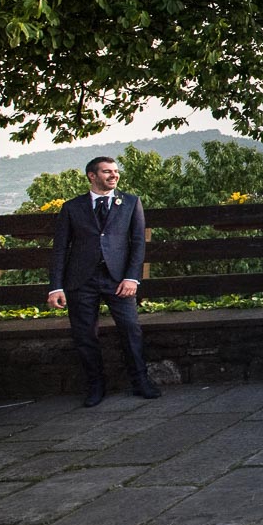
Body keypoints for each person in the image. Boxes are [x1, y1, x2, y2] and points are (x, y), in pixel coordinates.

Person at [47, 156, 158, 406]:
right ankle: (95, 387)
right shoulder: (72, 207)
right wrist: (56, 286)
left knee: (130, 329)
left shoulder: (130, 203)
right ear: (92, 176)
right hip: (80, 280)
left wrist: (132, 278)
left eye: (116, 172)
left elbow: (138, 243)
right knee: (85, 335)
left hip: (119, 279)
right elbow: (60, 249)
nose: (114, 176)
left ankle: (141, 382)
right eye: (107, 172)